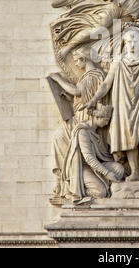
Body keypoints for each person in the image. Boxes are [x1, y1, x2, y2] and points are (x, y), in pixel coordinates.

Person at [82, 24, 139, 183]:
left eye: (135, 40)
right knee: (129, 139)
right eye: (129, 41)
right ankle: (135, 171)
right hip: (123, 104)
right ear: (124, 43)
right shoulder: (118, 62)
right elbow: (107, 84)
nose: (132, 44)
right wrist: (93, 100)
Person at [49, 45, 106, 201]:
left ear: (84, 59)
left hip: (84, 118)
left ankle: (69, 182)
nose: (76, 64)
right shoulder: (93, 75)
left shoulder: (91, 75)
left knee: (60, 137)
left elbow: (77, 92)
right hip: (83, 116)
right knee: (59, 138)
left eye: (76, 60)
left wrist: (58, 79)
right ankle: (65, 181)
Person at [63, 103, 125, 204]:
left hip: (95, 166)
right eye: (105, 120)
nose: (106, 123)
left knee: (119, 169)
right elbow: (89, 158)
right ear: (97, 117)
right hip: (82, 167)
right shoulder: (83, 131)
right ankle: (79, 192)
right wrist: (107, 173)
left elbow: (101, 155)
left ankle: (106, 184)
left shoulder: (96, 131)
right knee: (100, 192)